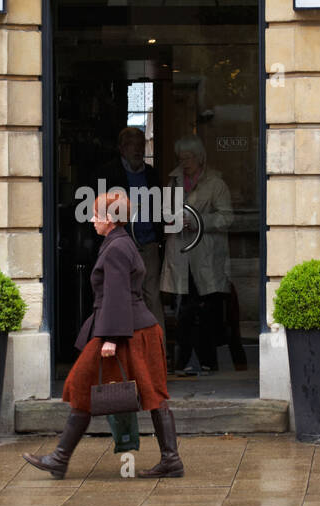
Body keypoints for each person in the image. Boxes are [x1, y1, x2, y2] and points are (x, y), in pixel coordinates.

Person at [23, 191, 182, 479]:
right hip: (133, 330)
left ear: (109, 219)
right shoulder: (120, 243)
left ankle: (60, 459)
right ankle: (170, 460)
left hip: (124, 332)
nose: (92, 219)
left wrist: (110, 338)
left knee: (91, 385)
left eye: (96, 214)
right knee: (146, 394)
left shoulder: (117, 247)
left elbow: (117, 295)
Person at [160, 135, 232, 376]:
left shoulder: (216, 183)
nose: (184, 163)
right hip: (181, 255)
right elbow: (164, 212)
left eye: (188, 158)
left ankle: (208, 361)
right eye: (181, 158)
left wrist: (199, 221)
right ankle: (183, 362)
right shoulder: (173, 182)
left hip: (206, 256)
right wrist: (170, 219)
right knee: (183, 310)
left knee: (207, 310)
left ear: (200, 158)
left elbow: (227, 217)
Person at [93, 126, 164, 328]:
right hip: (121, 245)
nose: (138, 150)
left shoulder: (151, 175)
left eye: (141, 145)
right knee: (120, 295)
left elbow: (161, 208)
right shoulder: (107, 173)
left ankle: (158, 350)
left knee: (152, 297)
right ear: (122, 149)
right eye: (133, 145)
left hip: (148, 244)